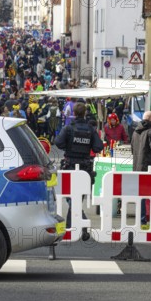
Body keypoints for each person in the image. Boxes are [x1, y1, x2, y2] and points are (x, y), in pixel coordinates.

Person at [55, 102, 104, 239]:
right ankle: (79, 228)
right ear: (85, 113)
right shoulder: (90, 129)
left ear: (74, 113)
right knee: (77, 199)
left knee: (71, 199)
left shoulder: (69, 128)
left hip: (70, 166)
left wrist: (67, 146)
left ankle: (75, 228)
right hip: (84, 168)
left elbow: (58, 142)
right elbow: (98, 147)